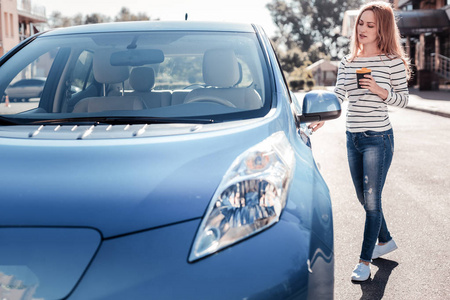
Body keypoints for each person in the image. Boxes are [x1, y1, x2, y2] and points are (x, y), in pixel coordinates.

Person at [309, 1, 410, 281]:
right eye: (361, 23)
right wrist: (321, 116)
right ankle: (385, 239)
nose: (363, 29)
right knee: (364, 199)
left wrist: (379, 90)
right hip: (352, 137)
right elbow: (338, 96)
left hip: (378, 138)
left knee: (372, 201)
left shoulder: (392, 62)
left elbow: (403, 99)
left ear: (382, 30)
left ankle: (364, 262)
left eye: (370, 25)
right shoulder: (348, 61)